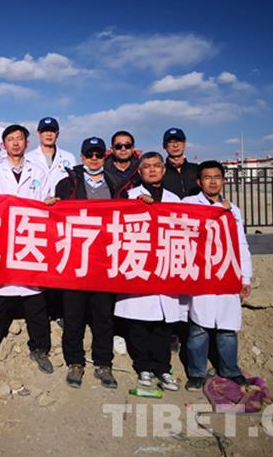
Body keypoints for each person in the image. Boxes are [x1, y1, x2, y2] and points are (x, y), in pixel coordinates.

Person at [0, 124, 54, 374]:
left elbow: (47, 201)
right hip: (1, 243)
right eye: (10, 139)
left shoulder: (38, 172)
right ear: (4, 145)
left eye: (20, 138)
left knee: (35, 302)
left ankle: (40, 348)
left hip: (29, 243)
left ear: (26, 143)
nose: (16, 143)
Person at [113, 151, 187, 391]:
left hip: (165, 265)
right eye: (147, 166)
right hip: (139, 264)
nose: (152, 170)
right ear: (140, 171)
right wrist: (136, 206)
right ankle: (143, 367)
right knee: (138, 323)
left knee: (162, 326)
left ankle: (163, 368)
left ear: (164, 170)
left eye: (157, 165)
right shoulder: (129, 196)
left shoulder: (175, 199)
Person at [53, 137, 118, 389]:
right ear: (82, 157)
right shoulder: (67, 184)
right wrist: (51, 206)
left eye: (98, 154)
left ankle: (103, 363)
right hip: (75, 258)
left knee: (103, 316)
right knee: (73, 315)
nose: (94, 158)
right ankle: (75, 362)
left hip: (104, 259)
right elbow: (55, 218)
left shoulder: (115, 184)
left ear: (104, 157)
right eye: (89, 154)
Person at [183, 161, 252, 390]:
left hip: (226, 273)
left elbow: (241, 244)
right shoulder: (189, 204)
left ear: (223, 180)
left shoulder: (233, 210)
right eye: (207, 177)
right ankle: (196, 373)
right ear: (199, 182)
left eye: (216, 177)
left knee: (227, 328)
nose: (212, 182)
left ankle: (230, 370)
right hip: (201, 274)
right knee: (198, 328)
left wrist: (245, 277)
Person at [25, 117, 77, 196]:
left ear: (57, 134)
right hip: (38, 202)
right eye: (45, 131)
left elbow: (75, 185)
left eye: (52, 131)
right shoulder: (28, 158)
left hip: (62, 202)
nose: (49, 134)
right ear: (38, 133)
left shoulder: (69, 158)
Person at [162, 128, 200, 199]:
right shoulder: (160, 171)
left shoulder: (197, 169)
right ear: (164, 146)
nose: (175, 145)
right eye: (170, 142)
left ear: (185, 144)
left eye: (179, 141)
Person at [103, 130, 142, 198]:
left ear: (133, 148)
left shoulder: (142, 169)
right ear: (112, 149)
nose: (123, 149)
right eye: (118, 146)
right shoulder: (102, 170)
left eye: (127, 145)